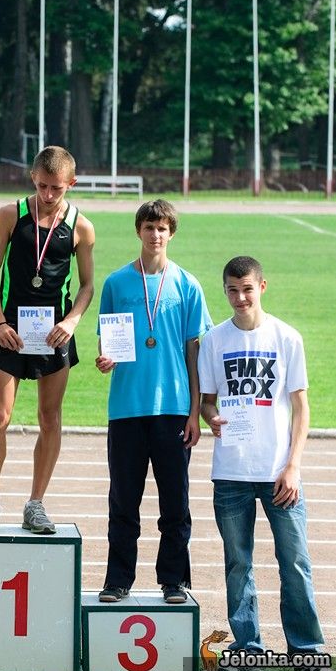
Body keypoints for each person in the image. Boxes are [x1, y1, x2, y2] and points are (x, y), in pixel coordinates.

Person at [198, 256, 336, 671]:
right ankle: (248, 646)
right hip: (231, 473)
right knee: (238, 563)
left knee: (294, 561)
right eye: (232, 290)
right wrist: (211, 418)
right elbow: (207, 402)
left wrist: (293, 466)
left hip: (279, 472)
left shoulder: (286, 337)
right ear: (225, 290)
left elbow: (301, 407)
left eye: (247, 289)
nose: (240, 298)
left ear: (262, 287)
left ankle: (305, 647)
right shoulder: (214, 341)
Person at [0, 146, 95, 535]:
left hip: (55, 334)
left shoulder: (81, 226)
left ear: (71, 183)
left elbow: (88, 285)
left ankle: (36, 504)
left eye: (56, 188)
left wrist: (72, 321)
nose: (48, 194)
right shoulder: (10, 215)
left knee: (50, 417)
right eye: (42, 186)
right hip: (10, 330)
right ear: (32, 179)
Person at [95, 199, 212, 604]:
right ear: (138, 231)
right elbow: (108, 342)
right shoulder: (116, 283)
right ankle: (117, 580)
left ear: (171, 233)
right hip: (127, 408)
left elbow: (194, 352)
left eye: (162, 228)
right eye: (149, 227)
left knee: (175, 502)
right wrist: (106, 359)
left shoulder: (187, 285)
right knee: (123, 501)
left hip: (174, 409)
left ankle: (174, 580)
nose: (155, 234)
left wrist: (195, 412)